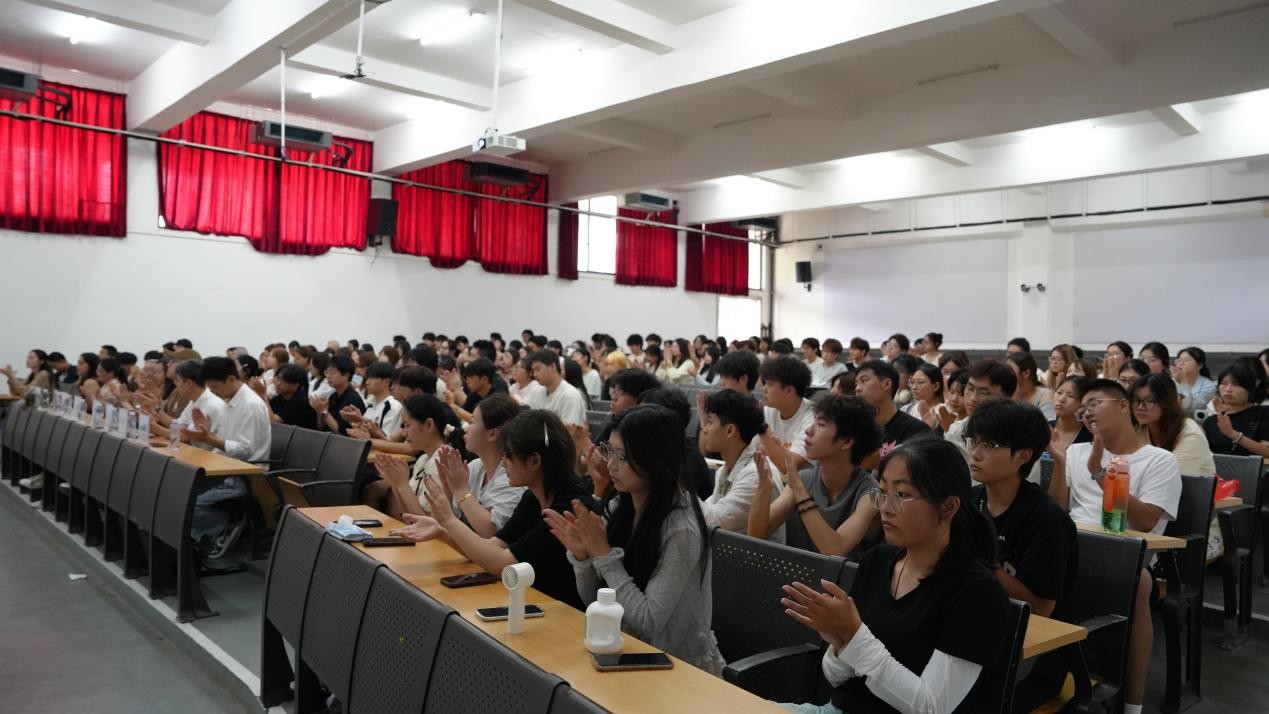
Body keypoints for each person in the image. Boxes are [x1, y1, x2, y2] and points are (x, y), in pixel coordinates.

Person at [778, 437, 1010, 714]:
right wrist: (841, 642)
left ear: (948, 507)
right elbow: (835, 677)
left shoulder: (977, 592)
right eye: (882, 492)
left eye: (900, 495)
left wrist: (854, 635)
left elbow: (931, 707)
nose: (885, 507)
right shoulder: (877, 561)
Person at [546, 405, 725, 674]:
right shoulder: (620, 506)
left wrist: (604, 555)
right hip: (624, 652)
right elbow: (595, 601)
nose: (611, 465)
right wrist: (583, 559)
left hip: (677, 670)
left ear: (655, 459)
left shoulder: (682, 528)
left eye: (624, 457)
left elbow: (647, 622)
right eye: (610, 452)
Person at [1046, 379, 1181, 714]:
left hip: (1127, 552)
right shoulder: (1076, 452)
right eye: (1083, 409)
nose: (1087, 413)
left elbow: (1146, 521)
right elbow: (1057, 511)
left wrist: (1100, 474)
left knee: (1140, 581)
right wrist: (1061, 462)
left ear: (1123, 406)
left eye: (1095, 403)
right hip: (1074, 546)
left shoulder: (1159, 460)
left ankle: (1132, 705)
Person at [390, 409, 596, 610]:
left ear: (534, 461)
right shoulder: (534, 496)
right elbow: (493, 546)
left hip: (563, 614)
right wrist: (443, 532)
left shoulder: (570, 507)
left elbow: (504, 563)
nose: (503, 463)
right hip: (533, 602)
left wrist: (450, 521)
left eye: (508, 455)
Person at [964, 399, 1078, 711]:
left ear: (1023, 456)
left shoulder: (1047, 519)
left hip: (1030, 655)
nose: (975, 453)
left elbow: (1039, 609)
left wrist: (979, 563)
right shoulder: (967, 502)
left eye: (989, 445)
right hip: (971, 629)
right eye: (973, 441)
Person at [749, 394, 883, 559]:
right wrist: (764, 488)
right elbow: (756, 534)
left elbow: (835, 550)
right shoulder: (804, 479)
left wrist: (799, 490)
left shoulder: (872, 493)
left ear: (846, 441)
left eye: (820, 424)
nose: (809, 430)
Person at [180, 356, 271, 557]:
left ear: (231, 379)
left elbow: (246, 450)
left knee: (188, 503)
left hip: (245, 475)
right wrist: (204, 436)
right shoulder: (229, 402)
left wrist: (210, 439)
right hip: (224, 466)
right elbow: (221, 443)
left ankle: (223, 524)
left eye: (215, 387)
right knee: (177, 491)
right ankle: (201, 536)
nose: (213, 392)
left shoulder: (251, 405)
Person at [428, 394, 526, 536]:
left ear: (492, 434)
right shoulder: (475, 466)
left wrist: (461, 490)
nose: (467, 428)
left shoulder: (512, 477)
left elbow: (490, 532)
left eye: (472, 422)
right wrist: (448, 492)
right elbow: (445, 523)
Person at [698, 389, 784, 541]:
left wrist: (678, 488)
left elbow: (715, 521)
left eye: (710, 422)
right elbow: (708, 509)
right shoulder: (725, 469)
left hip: (757, 556)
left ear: (730, 430)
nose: (704, 429)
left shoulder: (755, 474)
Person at [365, 395, 451, 519]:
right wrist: (395, 484)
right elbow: (407, 516)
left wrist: (402, 485)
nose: (404, 433)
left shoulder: (443, 460)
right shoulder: (423, 459)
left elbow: (429, 524)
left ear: (428, 425)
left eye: (407, 425)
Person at [1131, 374, 1216, 477]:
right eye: (1135, 400)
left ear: (1167, 402)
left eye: (1150, 401)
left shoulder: (1191, 434)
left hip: (1190, 487)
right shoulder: (1138, 428)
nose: (1140, 407)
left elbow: (1166, 475)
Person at [637, 387, 714, 500]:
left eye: (642, 416)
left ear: (666, 421)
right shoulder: (650, 449)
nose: (634, 421)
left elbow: (667, 504)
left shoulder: (689, 462)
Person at [853, 360, 931, 466]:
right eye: (856, 383)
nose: (857, 388)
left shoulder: (916, 430)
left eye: (864, 380)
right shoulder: (855, 427)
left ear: (886, 384)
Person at [944, 359, 1017, 462]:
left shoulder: (1016, 433)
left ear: (1006, 397)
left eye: (984, 393)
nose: (973, 398)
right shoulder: (956, 430)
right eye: (970, 388)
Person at [759, 355, 817, 477]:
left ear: (789, 391)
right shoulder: (769, 410)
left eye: (769, 384)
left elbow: (787, 466)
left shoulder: (813, 418)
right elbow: (752, 452)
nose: (764, 389)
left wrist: (762, 428)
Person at [1203, 363, 1269, 459]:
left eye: (1236, 384)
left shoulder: (1263, 413)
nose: (1228, 389)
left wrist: (1233, 434)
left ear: (1249, 388)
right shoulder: (1211, 422)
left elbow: (1267, 452)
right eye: (1224, 383)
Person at [342, 362, 402, 437]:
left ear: (386, 382)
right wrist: (354, 422)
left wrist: (360, 419)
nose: (367, 382)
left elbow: (386, 439)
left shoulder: (392, 406)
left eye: (372, 378)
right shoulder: (371, 404)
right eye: (367, 378)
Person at [530, 349, 587, 428]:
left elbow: (569, 432)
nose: (535, 374)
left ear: (552, 367)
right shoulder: (537, 393)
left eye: (538, 369)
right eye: (533, 370)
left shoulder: (570, 395)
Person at [312, 355, 365, 435]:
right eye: (327, 372)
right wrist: (319, 410)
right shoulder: (333, 396)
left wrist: (324, 412)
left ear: (346, 376)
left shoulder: (353, 399)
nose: (328, 376)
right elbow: (321, 427)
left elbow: (341, 432)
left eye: (332, 372)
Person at [254, 363, 317, 428]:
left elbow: (273, 421)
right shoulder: (280, 398)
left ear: (295, 385)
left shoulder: (301, 401)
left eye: (283, 381)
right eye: (277, 378)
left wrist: (263, 396)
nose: (278, 383)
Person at [1006, 351, 1055, 419]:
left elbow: (1046, 423)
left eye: (1010, 370)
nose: (1006, 373)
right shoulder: (1006, 393)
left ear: (1026, 373)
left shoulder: (1046, 394)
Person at [1172, 347, 1216, 420]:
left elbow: (1190, 407)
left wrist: (1184, 382)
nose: (1181, 363)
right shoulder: (1170, 382)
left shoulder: (1208, 385)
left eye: (1187, 360)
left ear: (1200, 365)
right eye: (1179, 360)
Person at [899, 362, 944, 429]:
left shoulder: (944, 412)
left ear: (936, 386)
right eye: (912, 382)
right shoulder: (906, 410)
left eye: (921, 382)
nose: (914, 387)